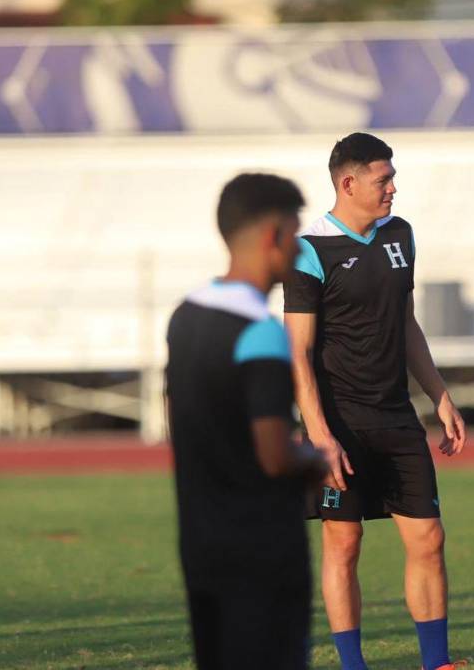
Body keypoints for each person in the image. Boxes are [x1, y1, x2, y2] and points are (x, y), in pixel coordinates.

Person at [284, 133, 467, 670]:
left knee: (428, 538)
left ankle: (438, 663)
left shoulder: (401, 235)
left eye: (392, 177)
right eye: (382, 179)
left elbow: (405, 323)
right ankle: (353, 666)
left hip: (395, 416)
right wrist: (319, 434)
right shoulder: (310, 249)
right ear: (349, 182)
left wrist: (441, 395)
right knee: (344, 545)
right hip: (337, 423)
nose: (392, 188)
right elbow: (298, 353)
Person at [165, 172, 327, 670]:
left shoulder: (186, 315)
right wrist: (316, 458)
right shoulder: (261, 333)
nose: (299, 249)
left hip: (200, 538)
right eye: (295, 234)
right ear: (273, 234)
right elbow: (274, 455)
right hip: (259, 546)